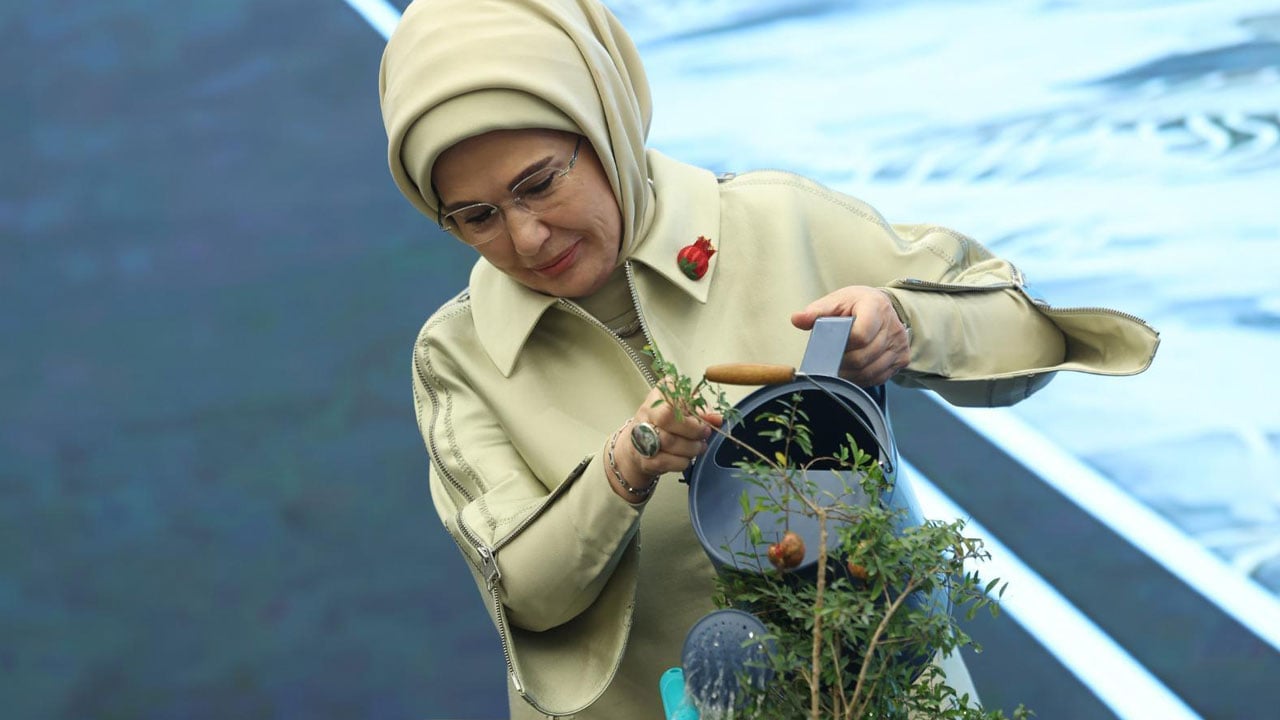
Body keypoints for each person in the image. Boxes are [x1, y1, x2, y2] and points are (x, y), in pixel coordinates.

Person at [378, 0, 1160, 717]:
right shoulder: (459, 355)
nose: (526, 238)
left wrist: (908, 326)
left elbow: (1030, 345)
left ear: (605, 121)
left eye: (540, 183)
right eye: (475, 216)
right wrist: (624, 468)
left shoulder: (778, 222)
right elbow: (523, 598)